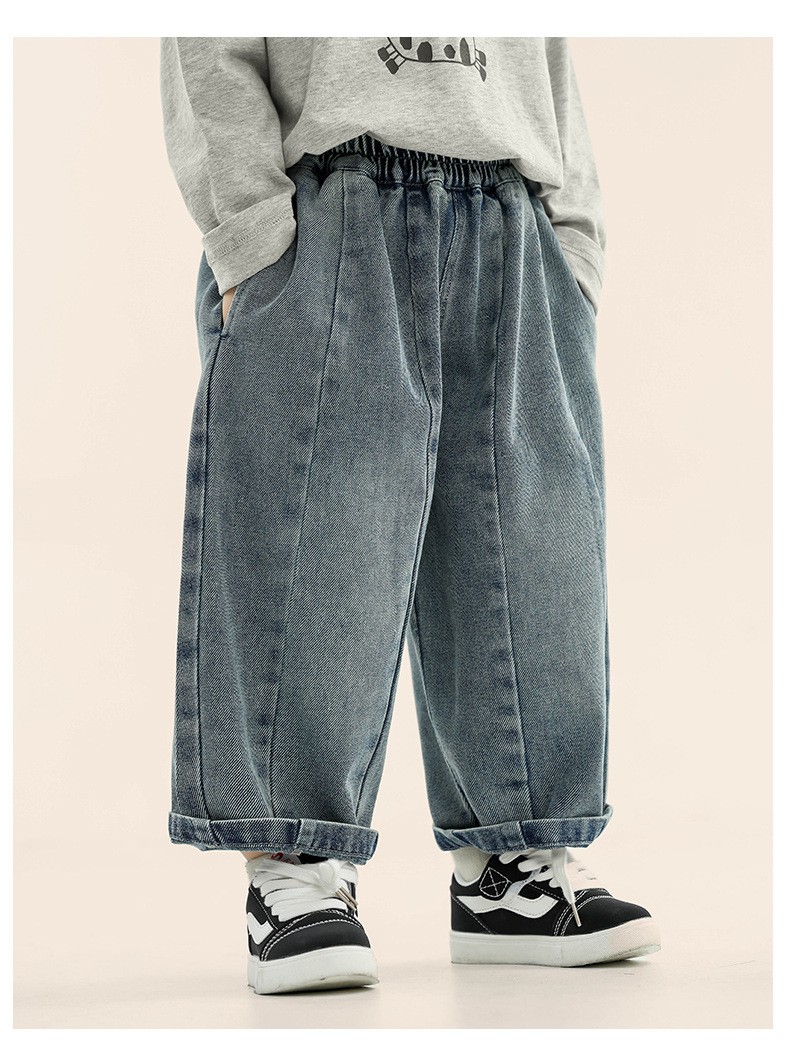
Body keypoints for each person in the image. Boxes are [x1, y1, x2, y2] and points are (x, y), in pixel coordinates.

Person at [159, 36, 661, 996]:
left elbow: (549, 55)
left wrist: (573, 245)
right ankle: (296, 867)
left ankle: (511, 872)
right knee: (321, 543)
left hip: (516, 209)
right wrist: (252, 230)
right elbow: (206, 39)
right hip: (333, 199)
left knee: (531, 544)